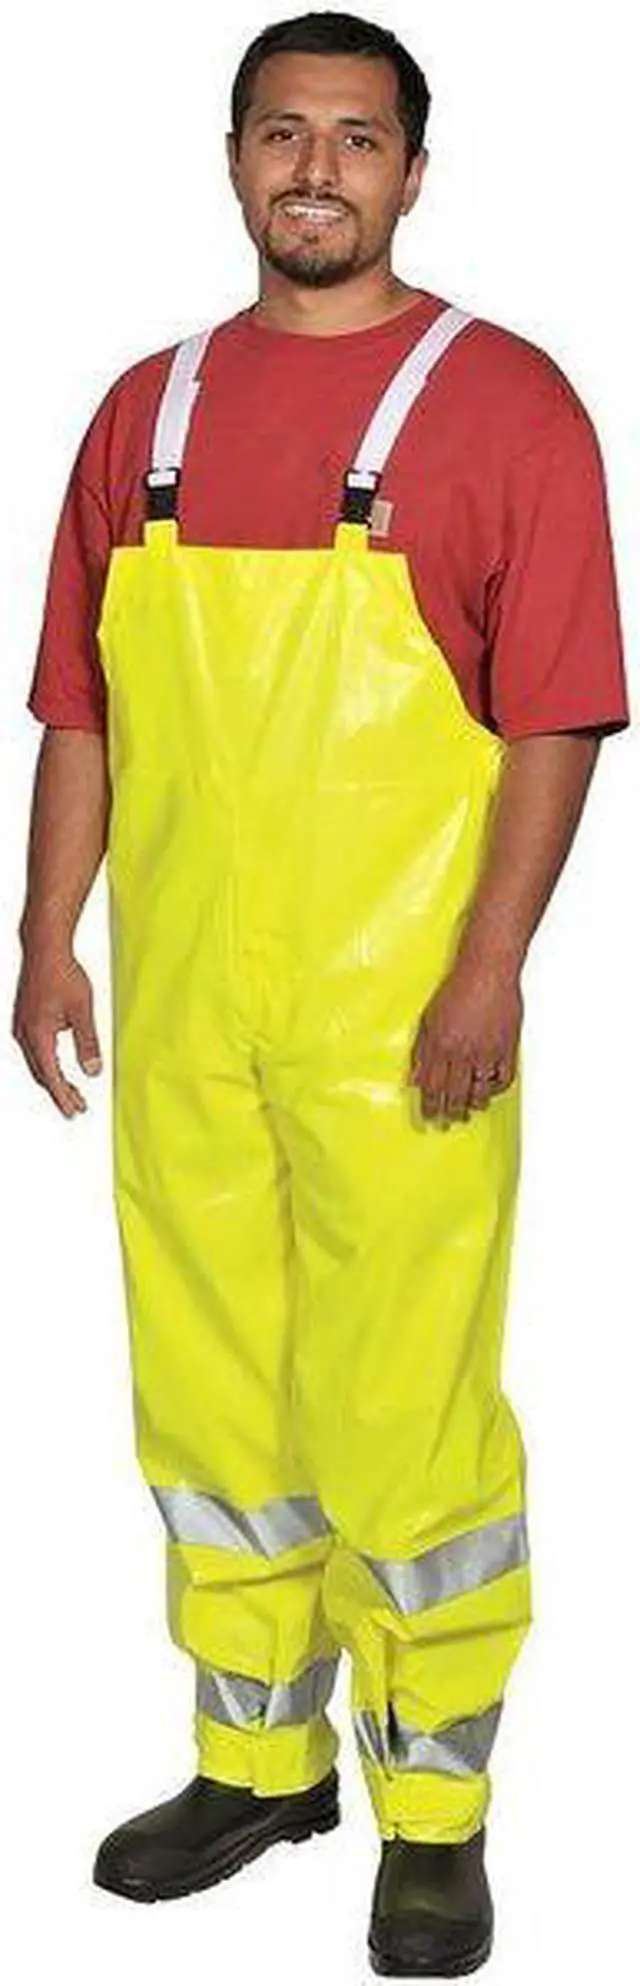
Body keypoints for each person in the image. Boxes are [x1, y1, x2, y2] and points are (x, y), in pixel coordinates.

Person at [12, 11, 629, 1976]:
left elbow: (555, 713)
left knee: (401, 1413)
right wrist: (46, 934)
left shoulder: (506, 406)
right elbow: (82, 705)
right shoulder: (145, 411)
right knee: (208, 1397)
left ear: (411, 173)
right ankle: (256, 1761)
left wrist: (488, 968)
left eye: (357, 138)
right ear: (232, 160)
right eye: (282, 131)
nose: (316, 168)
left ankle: (432, 1812)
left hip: (401, 1021)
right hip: (186, 1011)